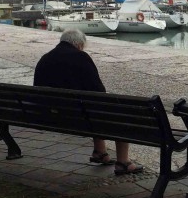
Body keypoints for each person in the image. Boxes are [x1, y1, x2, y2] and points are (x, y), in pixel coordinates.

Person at [33, 29, 143, 176]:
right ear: (79, 44)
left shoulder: (45, 58)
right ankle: (123, 162)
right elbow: (98, 91)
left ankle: (100, 152)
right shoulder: (81, 57)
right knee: (118, 112)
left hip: (47, 115)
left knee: (91, 108)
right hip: (76, 116)